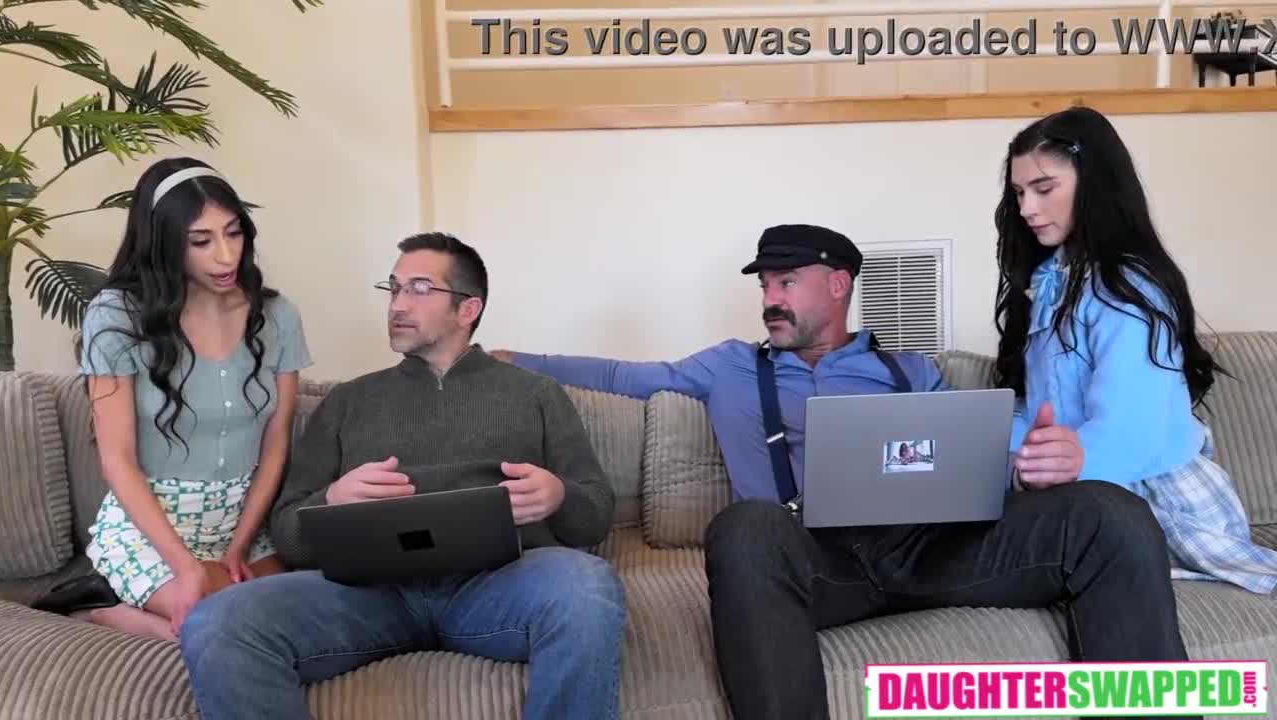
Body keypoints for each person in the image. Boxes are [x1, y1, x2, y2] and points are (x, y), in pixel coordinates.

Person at [492, 222, 1194, 720]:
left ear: (837, 285)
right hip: (816, 563)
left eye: (786, 282)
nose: (770, 298)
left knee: (1109, 512)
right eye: (765, 284)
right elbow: (622, 375)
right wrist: (512, 362)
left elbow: (969, 460)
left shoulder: (912, 369)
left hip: (931, 549)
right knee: (744, 526)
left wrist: (1024, 466)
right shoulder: (727, 366)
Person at [176, 232, 625, 720]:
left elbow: (596, 512)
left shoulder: (536, 394)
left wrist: (558, 496)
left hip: (498, 589)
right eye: (393, 288)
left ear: (467, 308)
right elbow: (287, 532)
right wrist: (331, 500)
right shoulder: (348, 401)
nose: (397, 305)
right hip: (366, 598)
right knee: (218, 622)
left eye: (419, 289)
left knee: (586, 586)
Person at [995, 105, 1277, 593]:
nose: (1026, 209)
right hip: (1087, 486)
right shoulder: (1049, 281)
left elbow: (1133, 427)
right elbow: (1041, 404)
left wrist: (1065, 461)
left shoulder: (1129, 289)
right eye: (1019, 193)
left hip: (1159, 496)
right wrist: (1013, 453)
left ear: (1095, 184)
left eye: (1043, 188)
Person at [34, 157, 311, 642]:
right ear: (162, 242)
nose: (225, 256)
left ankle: (137, 613)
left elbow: (276, 442)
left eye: (234, 233)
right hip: (152, 531)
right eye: (201, 241)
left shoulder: (277, 314)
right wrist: (186, 568)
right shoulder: (115, 316)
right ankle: (108, 614)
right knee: (236, 630)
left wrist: (241, 543)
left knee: (297, 623)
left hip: (241, 523)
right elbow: (117, 460)